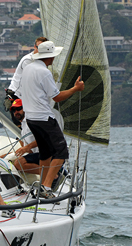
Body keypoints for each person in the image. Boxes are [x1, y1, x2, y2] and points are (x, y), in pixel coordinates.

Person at [17, 41, 85, 198]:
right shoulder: (44, 72)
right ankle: (46, 187)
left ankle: (41, 185)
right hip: (43, 118)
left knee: (46, 153)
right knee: (61, 152)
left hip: (31, 119)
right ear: (51, 57)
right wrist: (76, 88)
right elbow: (57, 97)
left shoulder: (28, 68)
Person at [0, 99, 41, 175]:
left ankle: (52, 175)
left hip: (44, 154)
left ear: (25, 108)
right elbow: (29, 150)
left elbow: (42, 138)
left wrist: (26, 148)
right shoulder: (24, 125)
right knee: (1, 158)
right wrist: (12, 154)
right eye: (14, 110)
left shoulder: (32, 121)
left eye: (19, 109)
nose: (16, 112)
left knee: (19, 163)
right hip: (34, 154)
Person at [6, 36, 48, 103]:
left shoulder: (42, 60)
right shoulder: (28, 60)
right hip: (16, 94)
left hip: (26, 96)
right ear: (34, 47)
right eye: (39, 48)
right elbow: (31, 80)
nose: (40, 50)